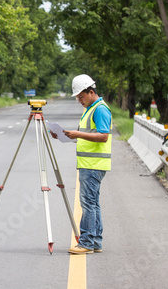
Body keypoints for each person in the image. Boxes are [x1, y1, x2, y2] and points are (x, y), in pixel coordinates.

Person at [52, 74, 112, 254]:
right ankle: (95, 242)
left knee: (88, 203)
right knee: (93, 203)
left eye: (81, 97)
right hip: (90, 163)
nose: (79, 100)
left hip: (93, 164)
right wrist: (66, 136)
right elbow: (89, 137)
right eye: (78, 97)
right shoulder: (91, 109)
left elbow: (103, 136)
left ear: (91, 92)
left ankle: (86, 242)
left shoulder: (100, 109)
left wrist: (77, 134)